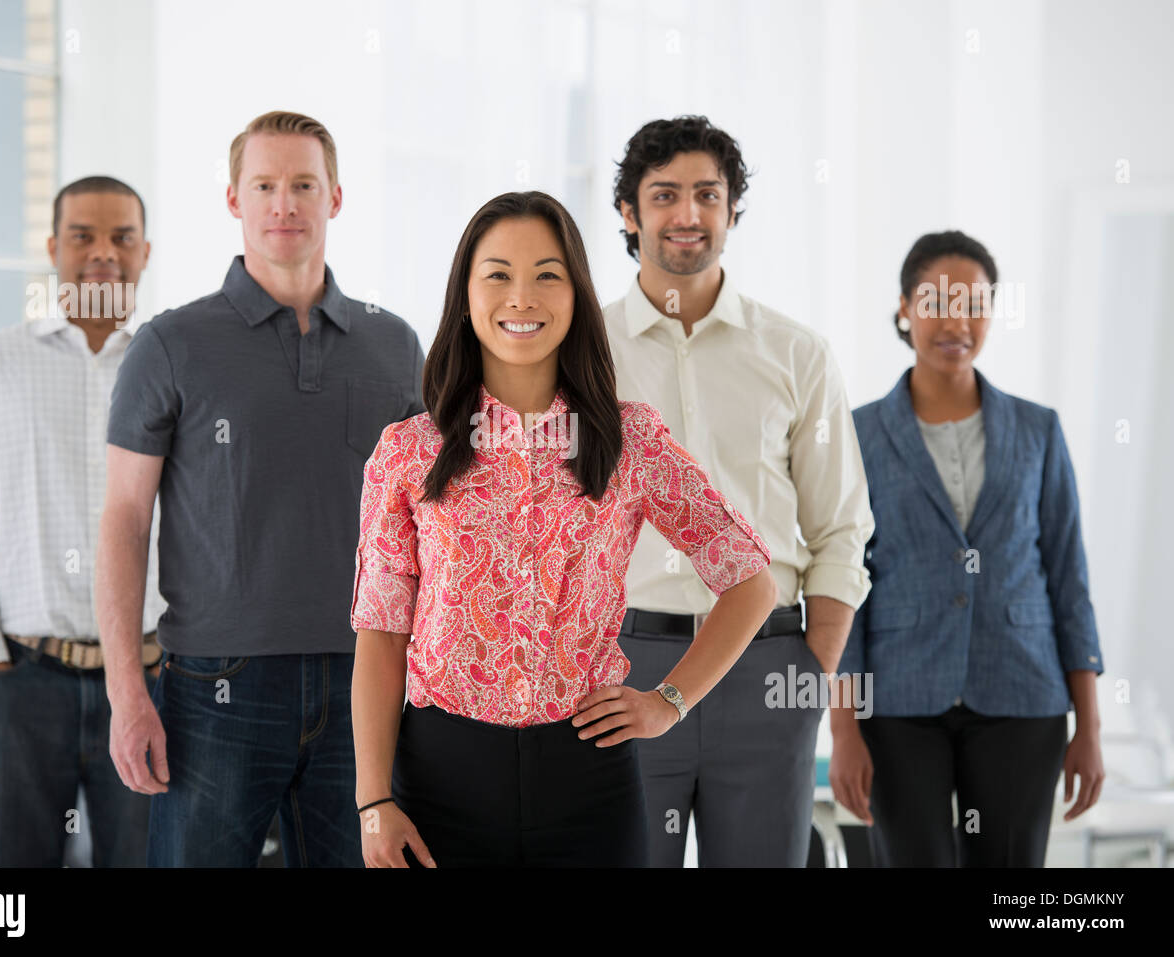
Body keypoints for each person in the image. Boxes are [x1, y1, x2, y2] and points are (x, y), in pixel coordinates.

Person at [350, 190, 777, 868]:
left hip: (590, 784)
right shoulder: (408, 452)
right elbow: (380, 633)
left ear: (576, 294)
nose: (523, 297)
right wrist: (373, 802)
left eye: (547, 275)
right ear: (465, 294)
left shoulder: (629, 439)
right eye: (498, 274)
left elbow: (751, 579)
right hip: (438, 780)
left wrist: (669, 702)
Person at [99, 111, 424, 867]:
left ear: (335, 198)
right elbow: (123, 517)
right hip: (217, 685)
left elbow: (429, 518)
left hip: (367, 675)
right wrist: (126, 691)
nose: (285, 204)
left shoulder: (395, 343)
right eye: (266, 185)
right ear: (233, 199)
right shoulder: (170, 344)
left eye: (303, 185)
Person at [602, 116, 875, 866]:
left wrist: (811, 667)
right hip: (627, 661)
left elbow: (841, 528)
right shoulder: (583, 352)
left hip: (769, 672)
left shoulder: (798, 353)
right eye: (664, 195)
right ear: (630, 213)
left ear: (731, 211)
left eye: (707, 195)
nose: (687, 214)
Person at [830, 230, 1105, 866]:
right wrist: (843, 729)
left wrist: (1088, 726)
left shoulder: (1039, 430)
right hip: (898, 702)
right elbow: (843, 582)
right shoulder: (859, 434)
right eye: (935, 301)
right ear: (904, 309)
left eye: (975, 305)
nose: (956, 320)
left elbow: (1069, 580)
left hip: (1021, 693)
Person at [0, 175, 165, 866]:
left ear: (145, 251)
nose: (103, 253)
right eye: (84, 236)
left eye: (122, 237)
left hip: (151, 680)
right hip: (24, 680)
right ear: (53, 247)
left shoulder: (174, 362)